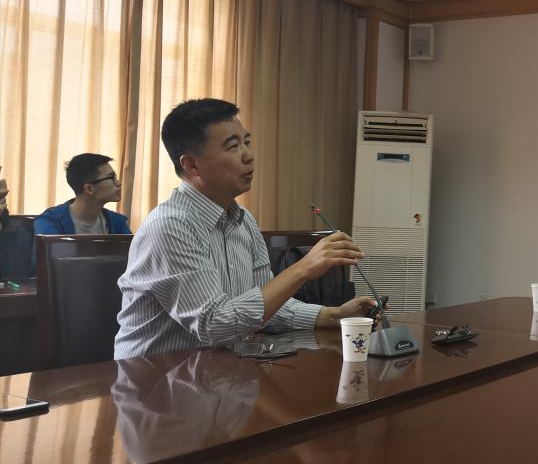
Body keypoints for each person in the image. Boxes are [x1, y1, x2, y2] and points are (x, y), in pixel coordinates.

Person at [113, 98, 375, 360]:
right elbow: (214, 325)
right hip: (153, 377)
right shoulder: (170, 227)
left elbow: (265, 306)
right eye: (232, 146)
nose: (249, 155)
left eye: (246, 142)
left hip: (220, 371)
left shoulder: (244, 220)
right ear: (191, 165)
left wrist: (333, 315)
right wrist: (303, 269)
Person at [34, 153, 131, 235]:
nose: (119, 183)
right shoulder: (49, 222)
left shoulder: (117, 223)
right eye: (111, 178)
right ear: (89, 188)